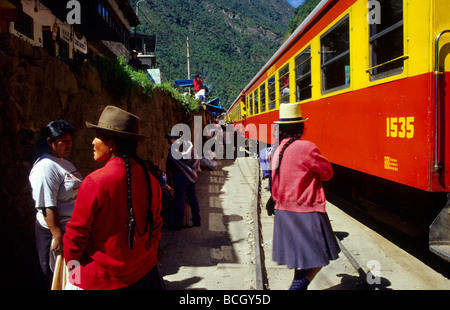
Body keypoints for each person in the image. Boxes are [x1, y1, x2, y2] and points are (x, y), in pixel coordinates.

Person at [63, 105, 163, 290]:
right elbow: (156, 225)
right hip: (144, 271)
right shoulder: (151, 181)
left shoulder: (95, 182)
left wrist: (72, 269)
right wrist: (149, 253)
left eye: (98, 136)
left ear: (111, 144)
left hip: (102, 278)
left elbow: (76, 236)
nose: (93, 142)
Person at [270, 103, 340, 290]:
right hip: (305, 213)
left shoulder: (277, 150)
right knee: (317, 261)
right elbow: (327, 173)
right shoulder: (305, 147)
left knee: (301, 261)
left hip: (283, 213)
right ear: (301, 127)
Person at [29, 120, 83, 288]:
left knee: (74, 276)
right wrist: (57, 237)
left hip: (72, 232)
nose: (69, 145)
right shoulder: (45, 167)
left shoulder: (64, 163)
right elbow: (47, 205)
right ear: (49, 141)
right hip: (56, 233)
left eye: (70, 141)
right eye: (64, 141)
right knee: (54, 277)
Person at [164, 130, 201, 230]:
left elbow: (169, 166)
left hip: (180, 177)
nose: (168, 142)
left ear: (172, 139)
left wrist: (169, 180)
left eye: (168, 140)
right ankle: (197, 220)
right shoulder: (188, 146)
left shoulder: (173, 150)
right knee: (193, 198)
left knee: (179, 200)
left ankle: (178, 223)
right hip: (191, 176)